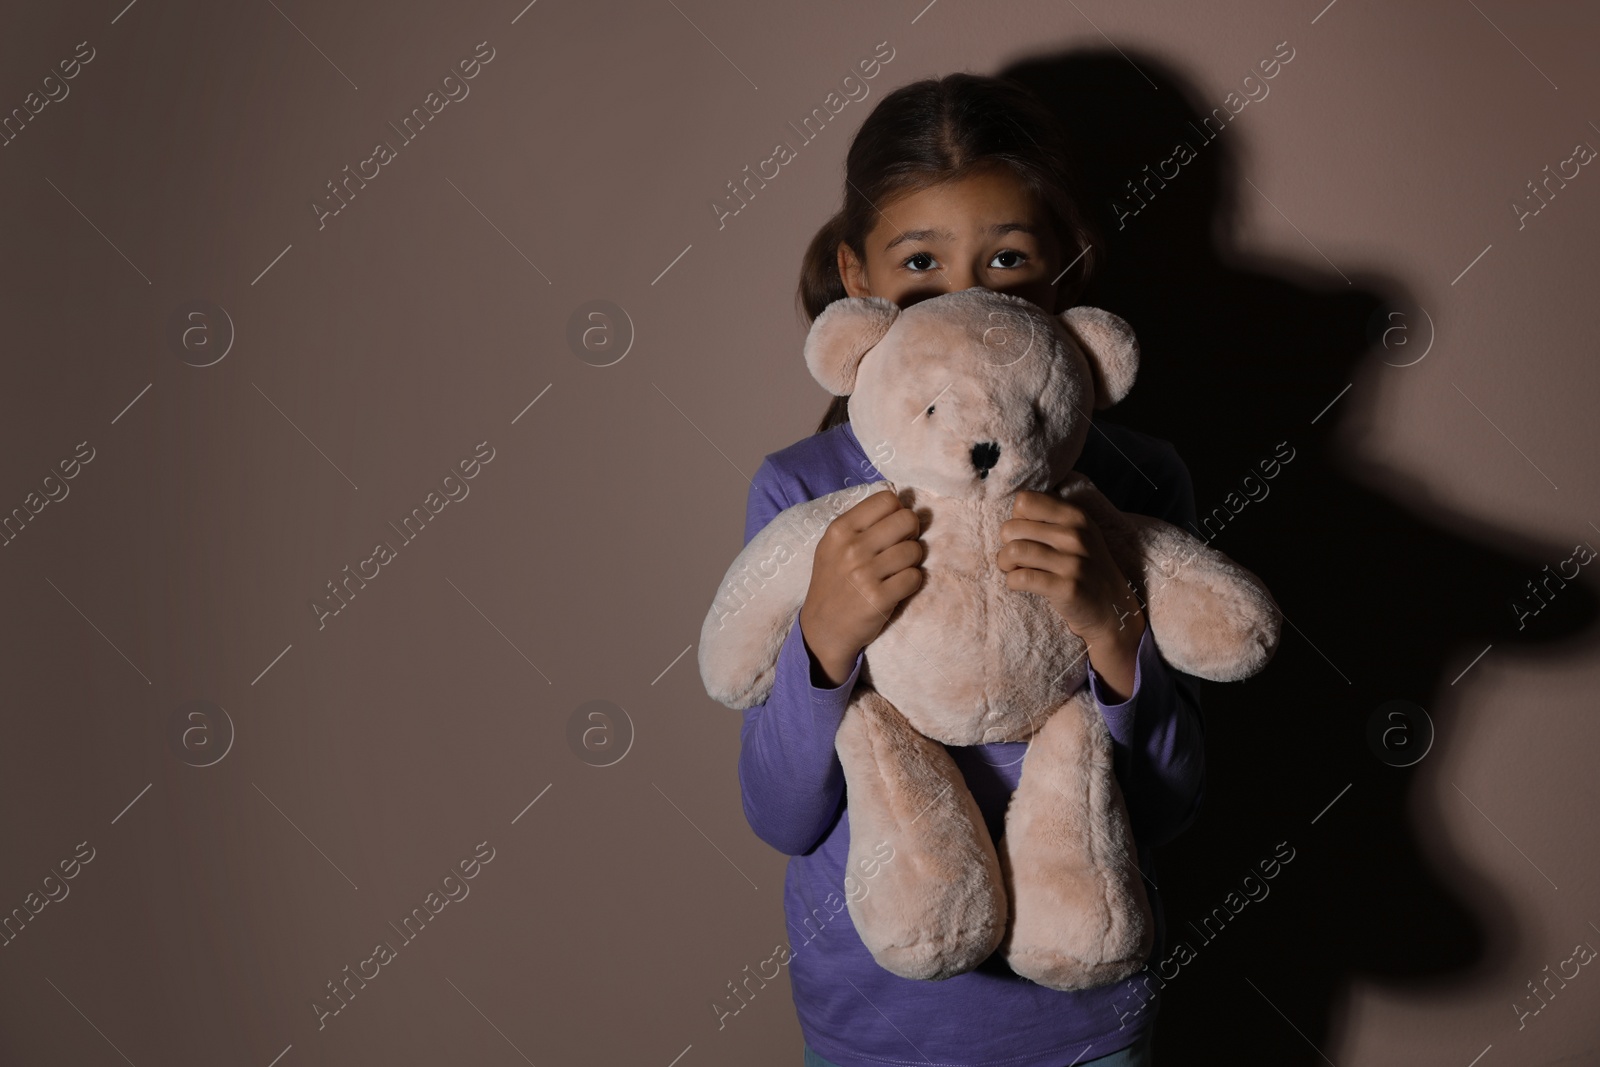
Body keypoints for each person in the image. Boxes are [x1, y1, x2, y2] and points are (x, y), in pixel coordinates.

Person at [734, 72, 1205, 1067]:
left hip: (1083, 1007)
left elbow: (1170, 803)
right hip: (872, 1011)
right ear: (856, 278)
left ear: (1064, 274)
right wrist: (822, 637)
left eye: (1007, 262)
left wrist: (1114, 629)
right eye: (920, 264)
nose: (967, 306)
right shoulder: (800, 489)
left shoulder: (1134, 484)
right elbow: (780, 813)